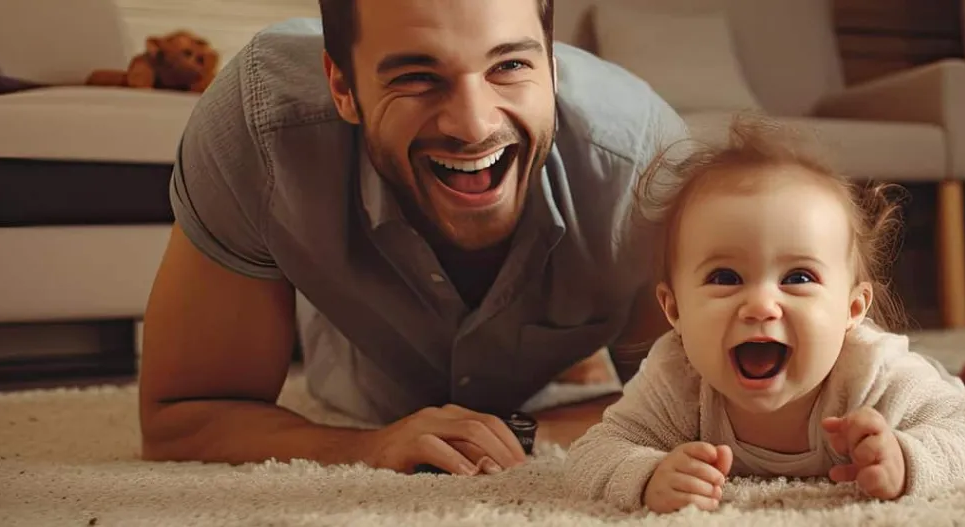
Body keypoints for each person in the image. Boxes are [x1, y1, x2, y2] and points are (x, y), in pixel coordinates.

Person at [136, 0, 687, 477]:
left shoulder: (646, 169)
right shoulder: (260, 130)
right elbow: (184, 418)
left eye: (510, 64)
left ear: (553, 66)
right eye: (417, 77)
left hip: (594, 262)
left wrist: (513, 434)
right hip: (356, 358)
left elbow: (704, 406)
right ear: (342, 87)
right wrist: (367, 446)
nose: (473, 127)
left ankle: (575, 352)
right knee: (348, 388)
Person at [564, 116, 965, 513]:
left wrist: (908, 457)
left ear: (852, 309)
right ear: (675, 310)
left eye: (798, 278)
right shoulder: (677, 380)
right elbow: (591, 454)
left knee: (945, 387)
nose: (761, 305)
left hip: (920, 394)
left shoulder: (872, 377)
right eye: (725, 277)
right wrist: (646, 476)